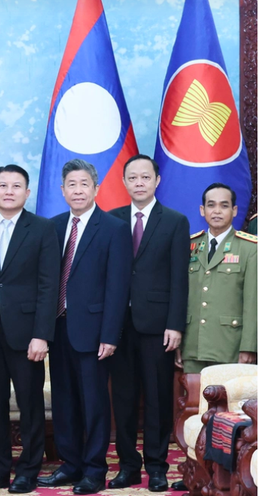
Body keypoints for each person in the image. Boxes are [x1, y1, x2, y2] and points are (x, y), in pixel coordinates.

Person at [37, 159, 132, 495]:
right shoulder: (52, 227)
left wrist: (110, 334)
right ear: (62, 191)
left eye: (84, 184)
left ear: (96, 188)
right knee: (64, 402)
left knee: (94, 404)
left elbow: (118, 287)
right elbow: (46, 281)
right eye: (71, 185)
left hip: (94, 332)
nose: (77, 191)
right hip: (59, 328)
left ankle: (94, 470)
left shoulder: (113, 228)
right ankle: (71, 464)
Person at [0, 165, 59, 494]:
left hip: (27, 334)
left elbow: (49, 286)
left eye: (16, 186)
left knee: (31, 405)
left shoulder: (43, 229)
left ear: (27, 193)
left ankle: (28, 471)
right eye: (2, 185)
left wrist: (42, 334)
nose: (9, 191)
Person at [106, 155, 190, 492]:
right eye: (133, 177)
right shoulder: (111, 220)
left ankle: (156, 467)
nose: (139, 183)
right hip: (118, 326)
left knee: (157, 399)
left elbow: (179, 278)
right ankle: (128, 466)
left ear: (157, 181)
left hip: (158, 326)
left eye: (145, 177)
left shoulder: (175, 221)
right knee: (123, 400)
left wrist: (175, 324)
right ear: (124, 182)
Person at [177, 183, 256, 373]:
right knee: (192, 393)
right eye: (211, 205)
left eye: (224, 205)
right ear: (202, 210)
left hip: (230, 347)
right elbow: (179, 296)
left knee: (227, 393)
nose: (217, 211)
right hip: (193, 346)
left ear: (234, 210)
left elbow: (253, 303)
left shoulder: (250, 249)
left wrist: (249, 346)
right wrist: (178, 340)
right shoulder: (189, 246)